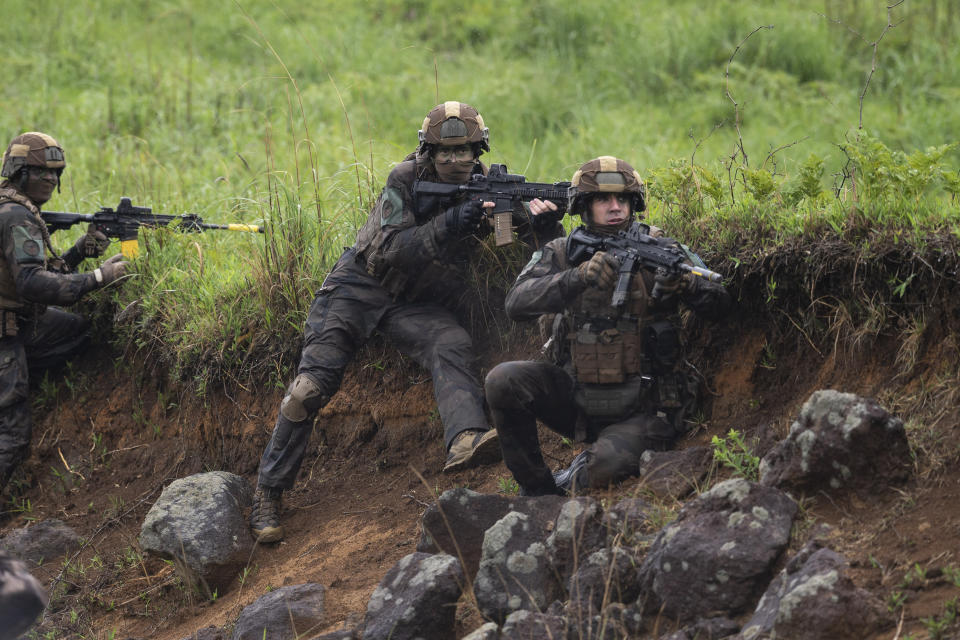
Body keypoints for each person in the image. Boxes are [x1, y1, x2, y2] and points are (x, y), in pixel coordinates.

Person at [250, 102, 560, 542]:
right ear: (428, 152)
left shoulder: (488, 185)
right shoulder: (405, 179)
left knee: (450, 342)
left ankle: (466, 437)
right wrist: (455, 220)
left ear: (479, 150)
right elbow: (392, 248)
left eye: (465, 152)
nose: (455, 161)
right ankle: (268, 491)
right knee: (308, 389)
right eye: (445, 153)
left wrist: (544, 223)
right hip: (357, 286)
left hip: (414, 300)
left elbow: (530, 242)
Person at [484, 156, 731, 496]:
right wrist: (576, 278)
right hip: (579, 401)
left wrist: (686, 287)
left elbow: (721, 304)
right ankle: (538, 491)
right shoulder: (563, 251)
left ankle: (574, 477)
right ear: (584, 205)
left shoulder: (663, 247)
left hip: (646, 408)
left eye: (622, 199)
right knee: (503, 379)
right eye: (603, 199)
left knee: (602, 467)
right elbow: (516, 304)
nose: (615, 207)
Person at [0, 132, 129, 493]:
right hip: (4, 335)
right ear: (21, 173)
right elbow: (30, 284)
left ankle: (23, 376)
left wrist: (76, 253)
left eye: (57, 174)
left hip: (19, 324)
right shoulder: (15, 217)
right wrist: (100, 276)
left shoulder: (12, 208)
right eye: (43, 173)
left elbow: (29, 277)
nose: (52, 180)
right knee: (12, 436)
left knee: (78, 331)